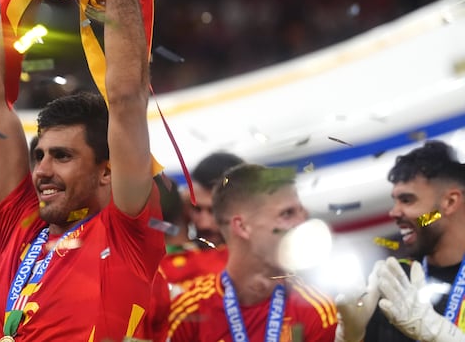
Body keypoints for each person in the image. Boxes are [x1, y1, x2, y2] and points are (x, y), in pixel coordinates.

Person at [0, 0, 165, 341]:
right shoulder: (23, 222)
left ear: (107, 171)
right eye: (41, 155)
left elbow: (125, 97)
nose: (41, 170)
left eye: (62, 156)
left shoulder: (128, 236)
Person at [168, 163, 338, 342]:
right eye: (287, 214)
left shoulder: (316, 309)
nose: (301, 224)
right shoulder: (188, 312)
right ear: (242, 227)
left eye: (301, 212)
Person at [335, 140, 465, 342]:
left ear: (449, 203)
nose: (394, 212)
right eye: (394, 201)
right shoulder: (392, 283)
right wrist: (350, 336)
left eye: (407, 200)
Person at [160, 151, 245, 290]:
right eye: (197, 209)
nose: (204, 224)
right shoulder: (180, 248)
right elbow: (150, 224)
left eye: (215, 211)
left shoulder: (262, 267)